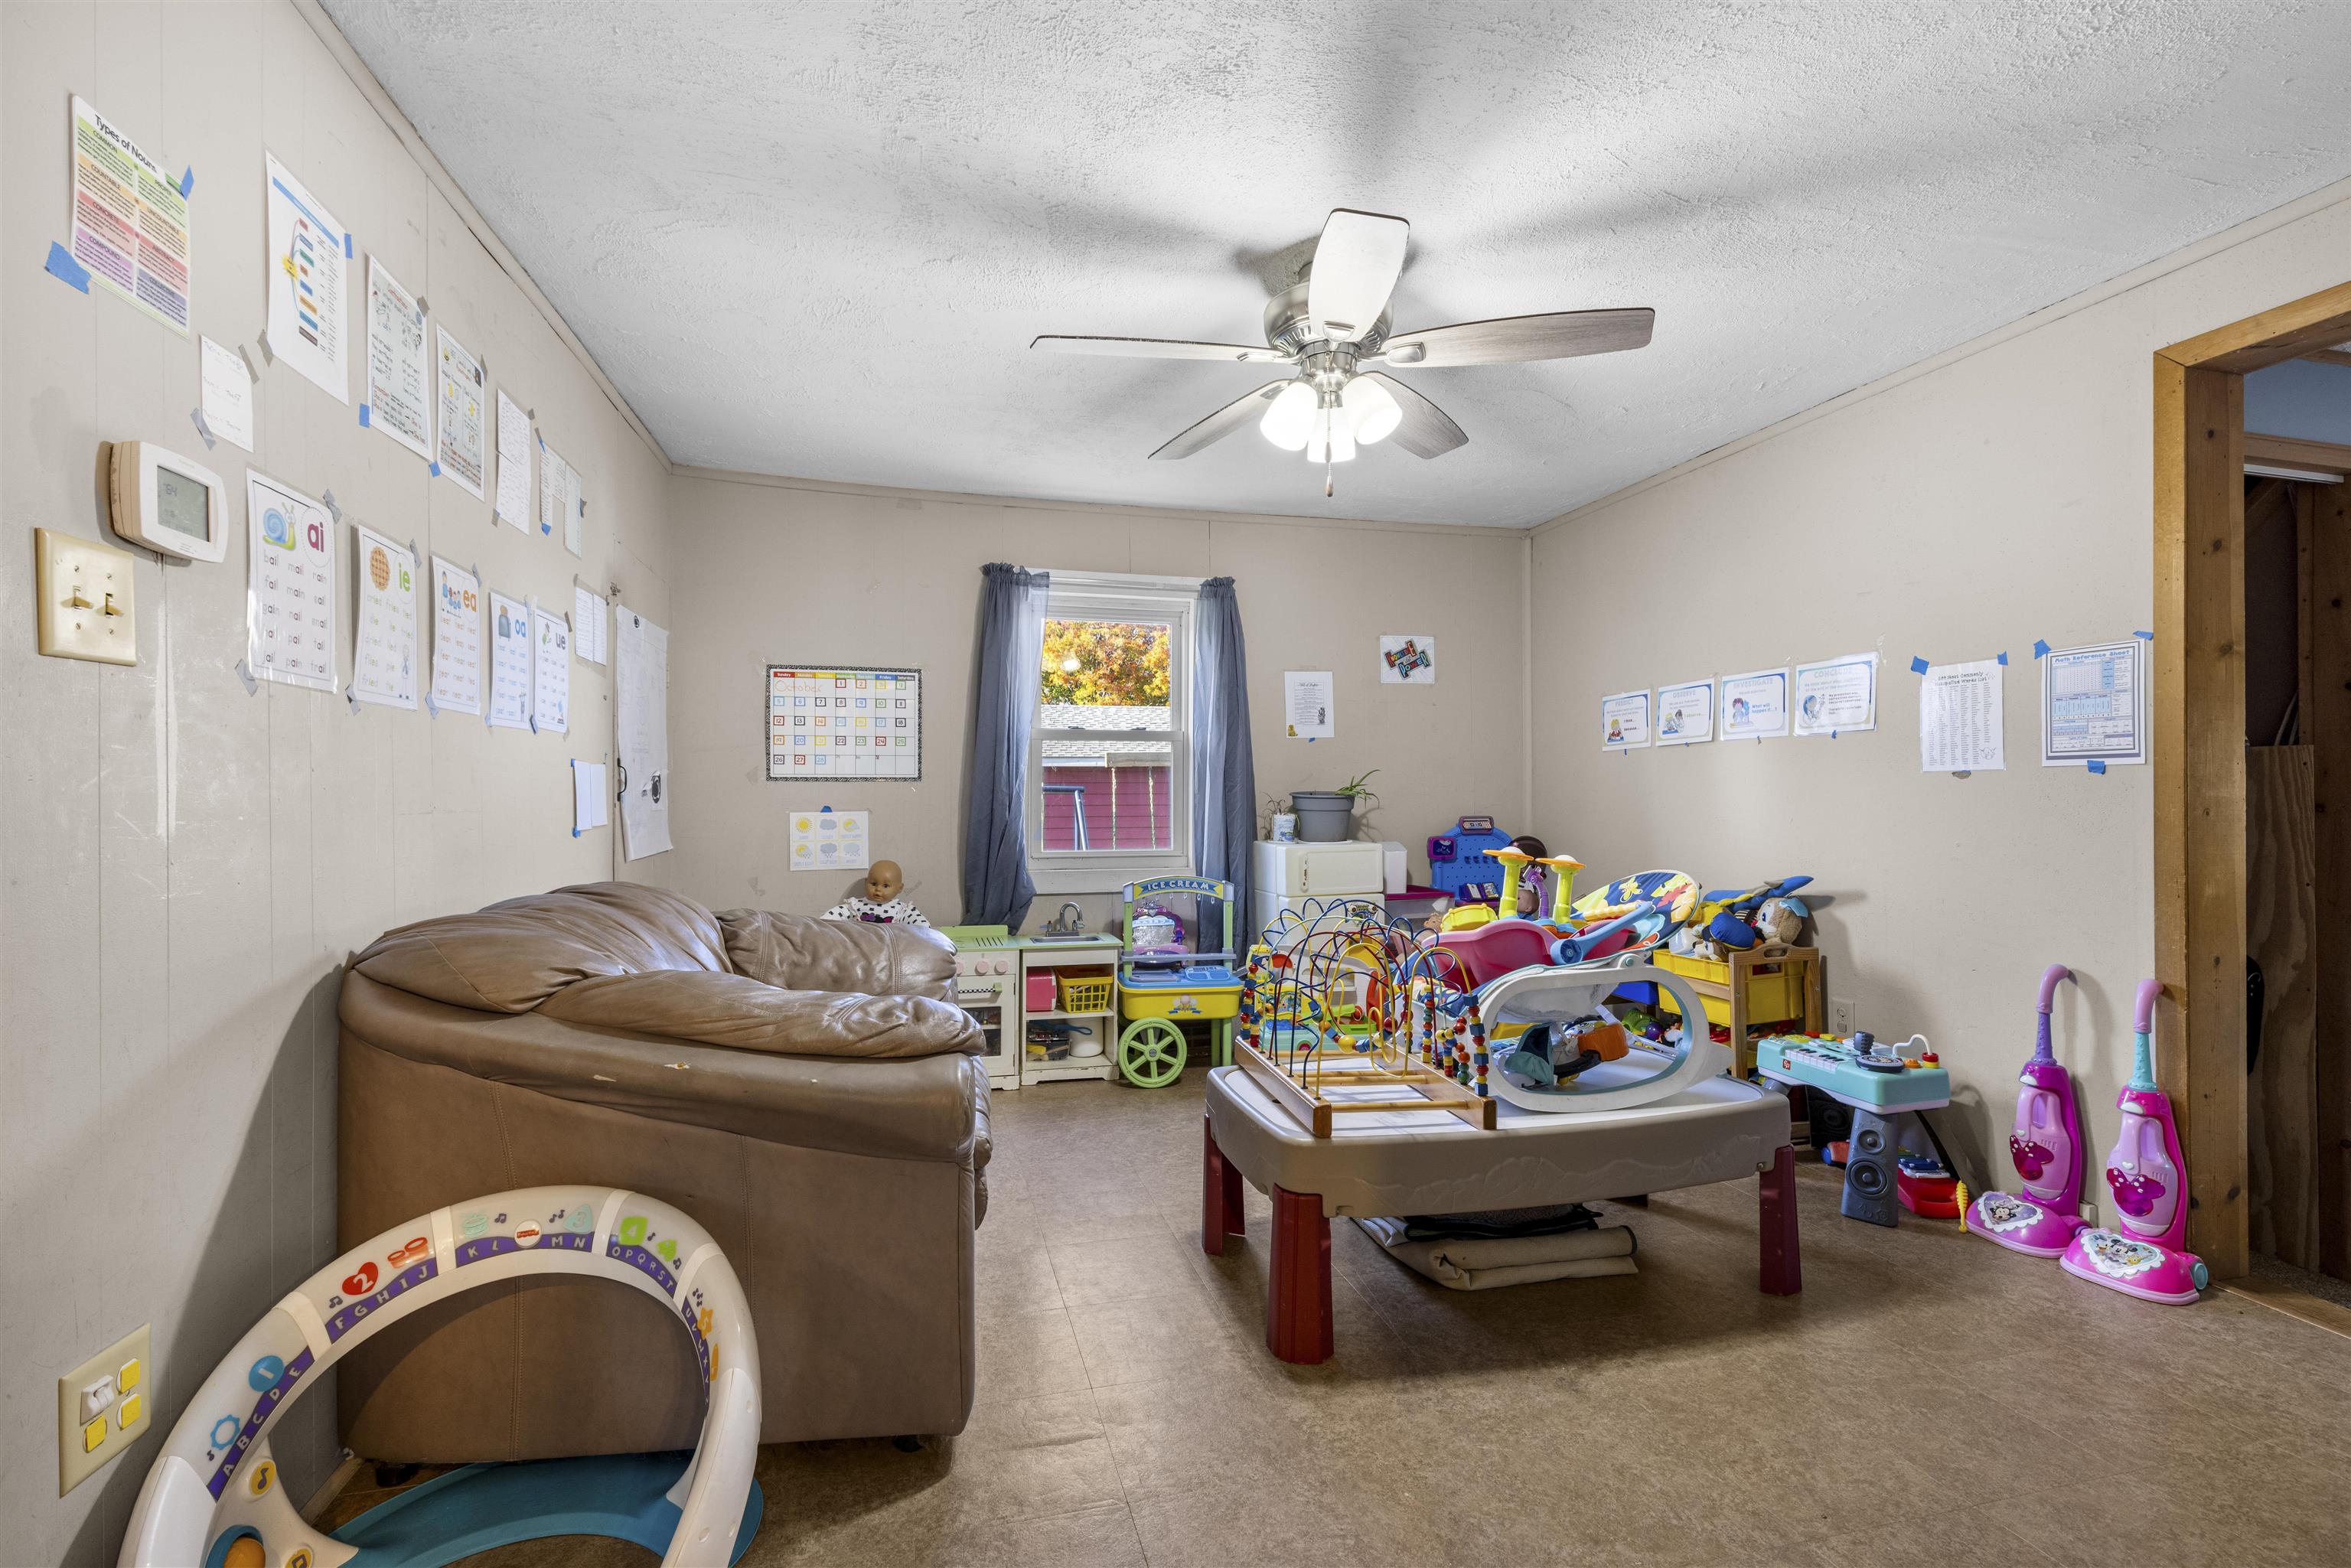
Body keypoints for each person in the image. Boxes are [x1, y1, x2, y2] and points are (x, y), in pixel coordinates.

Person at [823, 859, 929, 925]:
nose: (878, 889)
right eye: (874, 884)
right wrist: (820, 926)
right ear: (866, 883)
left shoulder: (902, 910)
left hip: (890, 948)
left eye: (886, 886)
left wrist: (928, 934)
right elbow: (833, 916)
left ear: (899, 888)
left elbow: (921, 925)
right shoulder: (855, 906)